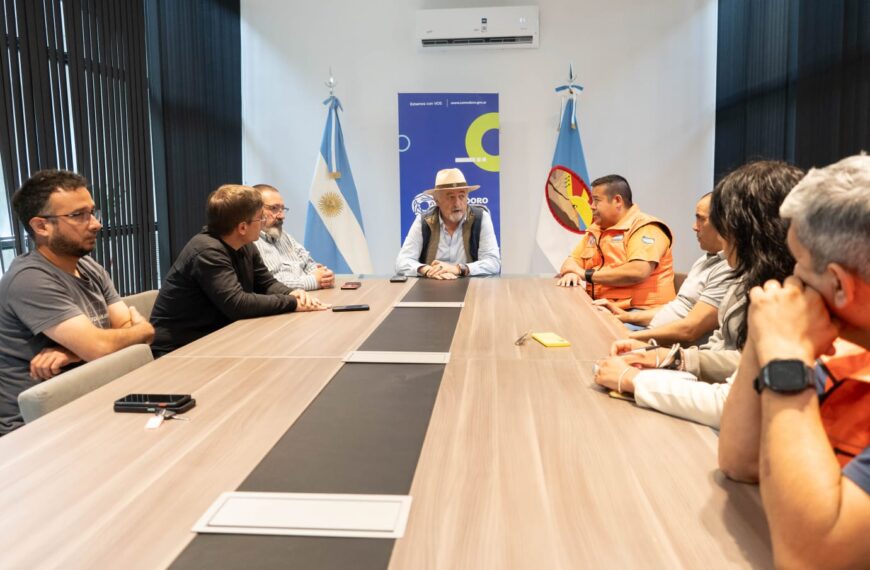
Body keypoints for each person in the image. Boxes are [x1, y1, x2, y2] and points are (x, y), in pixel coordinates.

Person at [717, 155, 870, 569]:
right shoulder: (848, 354)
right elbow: (741, 460)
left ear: (838, 284)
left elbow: (811, 558)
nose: (789, 282)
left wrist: (784, 353)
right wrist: (763, 334)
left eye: (797, 266)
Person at [591, 161, 804, 428]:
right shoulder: (749, 278)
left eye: (724, 223)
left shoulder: (788, 297)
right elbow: (740, 359)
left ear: (750, 230)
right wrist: (668, 358)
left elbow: (734, 403)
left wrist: (634, 379)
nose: (721, 236)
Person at [0, 170, 155, 435]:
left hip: (91, 400)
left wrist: (74, 352)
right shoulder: (30, 279)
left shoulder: (88, 267)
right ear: (41, 226)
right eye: (78, 215)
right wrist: (132, 332)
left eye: (92, 212)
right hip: (34, 428)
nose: (95, 224)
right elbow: (107, 345)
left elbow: (142, 336)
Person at [149, 184, 327, 356]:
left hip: (215, 340)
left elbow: (266, 283)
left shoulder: (245, 245)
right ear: (242, 227)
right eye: (260, 218)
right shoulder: (207, 251)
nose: (263, 223)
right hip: (179, 349)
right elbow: (237, 304)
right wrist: (292, 303)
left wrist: (292, 293)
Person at [593, 193, 732, 345]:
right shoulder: (705, 259)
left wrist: (630, 336)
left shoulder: (728, 268)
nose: (694, 227)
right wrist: (625, 317)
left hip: (672, 348)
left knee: (598, 342)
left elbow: (690, 330)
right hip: (652, 334)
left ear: (724, 222)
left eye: (701, 219)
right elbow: (677, 308)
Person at [557, 174, 676, 309]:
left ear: (617, 201)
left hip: (640, 311)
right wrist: (572, 273)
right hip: (603, 306)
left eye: (596, 200)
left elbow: (638, 271)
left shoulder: (646, 227)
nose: (591, 206)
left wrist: (586, 275)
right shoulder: (597, 230)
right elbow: (570, 262)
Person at [395, 168, 500, 278]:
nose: (457, 203)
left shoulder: (480, 218)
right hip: (432, 285)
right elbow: (402, 262)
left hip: (470, 285)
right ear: (436, 200)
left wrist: (459, 269)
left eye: (461, 196)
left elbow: (493, 262)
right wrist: (427, 270)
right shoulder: (424, 221)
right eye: (451, 197)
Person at [253, 184, 334, 291]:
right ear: (255, 210)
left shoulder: (284, 236)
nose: (282, 216)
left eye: (282, 209)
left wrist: (323, 277)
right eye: (274, 208)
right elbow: (270, 284)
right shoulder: (251, 242)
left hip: (308, 295)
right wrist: (314, 281)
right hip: (284, 299)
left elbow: (308, 262)